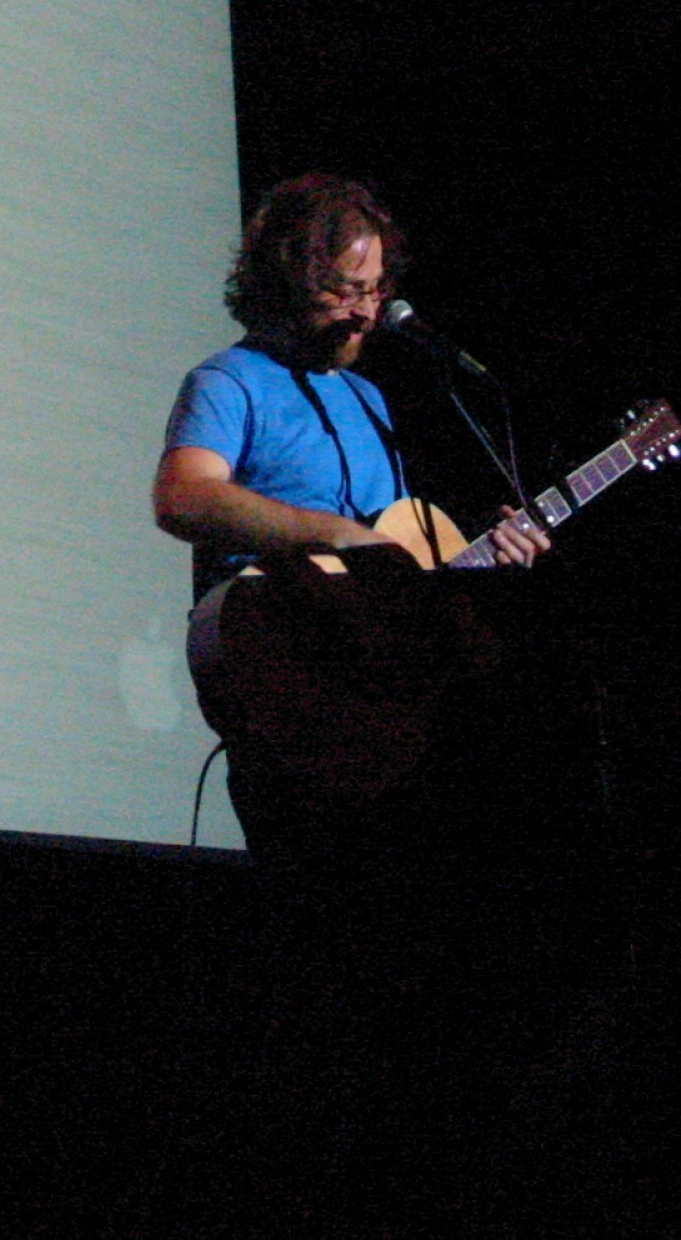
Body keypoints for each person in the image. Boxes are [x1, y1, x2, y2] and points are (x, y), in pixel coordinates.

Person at [153, 174, 551, 863]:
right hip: (297, 684)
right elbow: (183, 496)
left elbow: (396, 569)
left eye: (373, 290)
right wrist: (334, 531)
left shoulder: (369, 399)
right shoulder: (229, 380)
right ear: (285, 279)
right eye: (344, 290)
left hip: (383, 707)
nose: (365, 313)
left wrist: (488, 554)